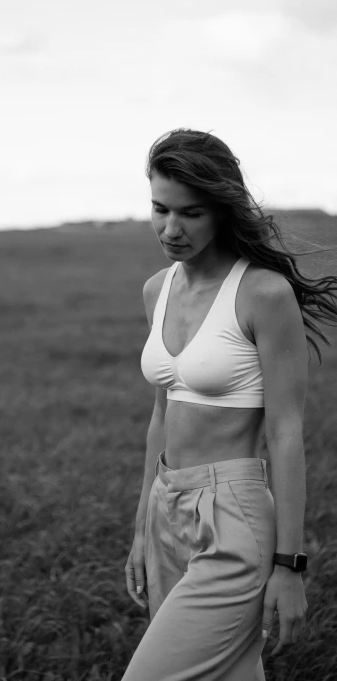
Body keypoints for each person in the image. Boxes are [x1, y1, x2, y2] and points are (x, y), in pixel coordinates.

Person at [121, 129, 337, 681]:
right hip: (167, 506)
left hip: (232, 514)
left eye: (191, 213)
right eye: (160, 209)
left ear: (221, 210)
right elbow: (160, 417)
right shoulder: (156, 290)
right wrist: (143, 528)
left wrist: (290, 567)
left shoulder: (261, 293)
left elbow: (286, 434)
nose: (172, 229)